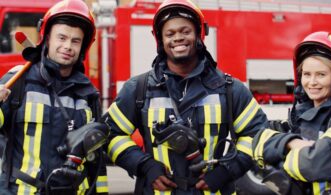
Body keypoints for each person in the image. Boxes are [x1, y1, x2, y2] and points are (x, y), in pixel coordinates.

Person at [104, 0, 269, 194]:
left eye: (185, 31)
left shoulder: (230, 89)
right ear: (160, 40)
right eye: (170, 34)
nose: (178, 38)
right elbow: (110, 134)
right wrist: (144, 166)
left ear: (199, 35)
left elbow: (257, 135)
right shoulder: (138, 88)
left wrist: (226, 171)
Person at [0, 0, 108, 194]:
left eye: (75, 41)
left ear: (83, 46)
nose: (67, 46)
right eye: (62, 38)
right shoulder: (17, 82)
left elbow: (96, 160)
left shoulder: (88, 94)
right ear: (47, 38)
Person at [252, 31, 331, 194]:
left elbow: (315, 165)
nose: (312, 82)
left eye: (321, 75)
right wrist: (291, 143)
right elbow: (257, 138)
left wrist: (278, 157)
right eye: (307, 74)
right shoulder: (300, 114)